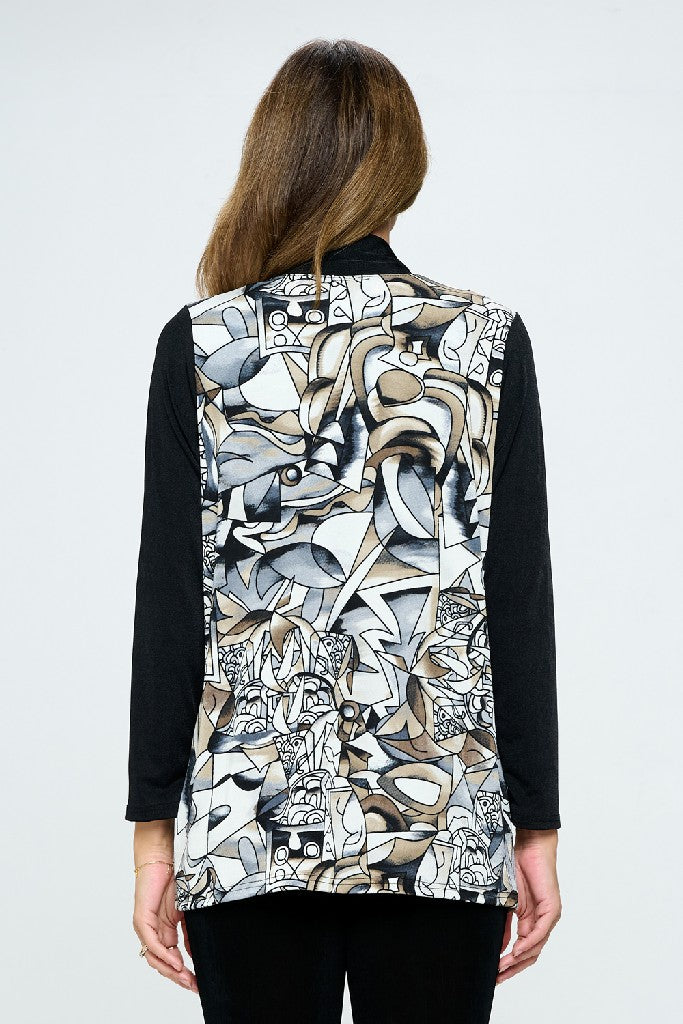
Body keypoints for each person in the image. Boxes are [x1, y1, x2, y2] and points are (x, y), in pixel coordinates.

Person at [125, 37, 561, 1024]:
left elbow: (169, 604)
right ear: (403, 163)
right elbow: (516, 600)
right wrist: (533, 825)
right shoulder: (483, 342)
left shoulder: (204, 342)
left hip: (247, 819)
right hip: (440, 819)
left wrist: (154, 833)